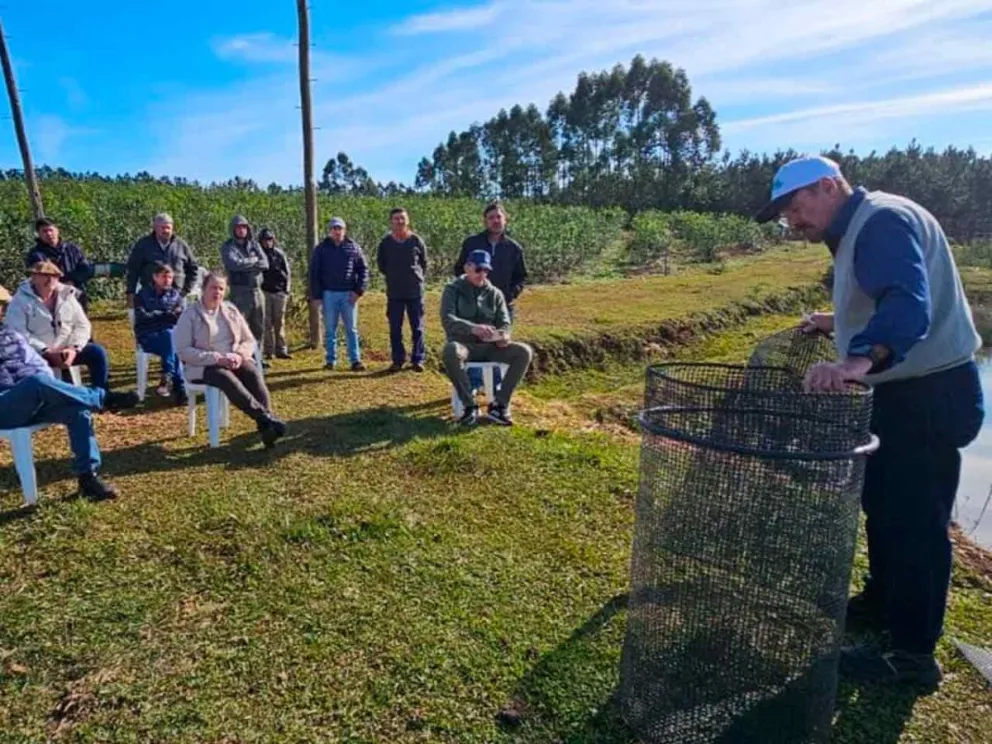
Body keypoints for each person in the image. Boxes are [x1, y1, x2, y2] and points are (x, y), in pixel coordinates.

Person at [755, 155, 984, 688]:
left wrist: (855, 362)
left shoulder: (880, 220)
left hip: (927, 395)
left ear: (828, 186)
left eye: (795, 206)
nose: (792, 220)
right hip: (903, 390)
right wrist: (835, 321)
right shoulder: (866, 221)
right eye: (784, 214)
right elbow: (888, 296)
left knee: (916, 524)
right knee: (883, 505)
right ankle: (883, 604)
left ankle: (912, 658)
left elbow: (907, 303)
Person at [0, 284, 121, 501]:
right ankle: (103, 397)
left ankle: (88, 478)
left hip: (30, 400)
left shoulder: (10, 335)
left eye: (1, 306)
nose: (0, 310)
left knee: (78, 410)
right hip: (4, 407)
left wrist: (48, 388)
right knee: (36, 382)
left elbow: (37, 364)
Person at [175, 271, 286, 449]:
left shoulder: (230, 310)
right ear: (204, 289)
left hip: (233, 359)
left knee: (252, 373)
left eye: (221, 288)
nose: (217, 292)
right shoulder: (190, 315)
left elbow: (249, 340)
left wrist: (239, 355)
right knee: (225, 377)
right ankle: (265, 419)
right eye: (213, 288)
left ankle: (267, 426)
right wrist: (217, 358)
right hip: (203, 366)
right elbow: (183, 351)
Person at [6, 262, 136, 407]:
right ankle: (98, 399)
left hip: (66, 351)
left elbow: (83, 325)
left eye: (54, 276)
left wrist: (74, 348)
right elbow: (17, 333)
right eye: (44, 276)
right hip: (36, 355)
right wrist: (45, 350)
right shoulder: (20, 300)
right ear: (33, 277)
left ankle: (102, 395)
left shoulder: (67, 295)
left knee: (97, 352)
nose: (49, 280)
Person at [441, 249, 533, 427]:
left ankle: (499, 405)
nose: (482, 274)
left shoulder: (495, 293)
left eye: (486, 270)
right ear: (467, 268)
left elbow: (504, 322)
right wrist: (472, 328)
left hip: (491, 348)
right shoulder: (452, 290)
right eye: (478, 269)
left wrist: (503, 335)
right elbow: (448, 319)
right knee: (450, 351)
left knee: (523, 352)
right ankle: (469, 406)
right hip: (464, 345)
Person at [309, 217, 368, 372]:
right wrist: (316, 296)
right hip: (329, 294)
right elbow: (314, 273)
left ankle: (355, 360)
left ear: (344, 230)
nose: (337, 231)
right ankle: (330, 360)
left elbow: (363, 270)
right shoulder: (321, 249)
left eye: (339, 228)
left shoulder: (353, 247)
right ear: (329, 231)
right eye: (334, 228)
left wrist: (358, 291)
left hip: (349, 294)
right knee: (330, 330)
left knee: (351, 329)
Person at [454, 201, 527, 320]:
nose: (495, 221)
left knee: (501, 332)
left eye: (499, 217)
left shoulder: (514, 248)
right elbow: (459, 269)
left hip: (502, 306)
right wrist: (468, 291)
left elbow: (521, 276)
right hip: (473, 306)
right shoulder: (471, 243)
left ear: (505, 220)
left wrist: (510, 294)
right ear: (485, 221)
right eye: (491, 218)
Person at [376, 207, 427, 373]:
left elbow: (424, 263)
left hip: (414, 291)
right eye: (396, 218)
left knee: (417, 327)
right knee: (395, 328)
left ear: (408, 220)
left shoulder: (416, 241)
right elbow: (382, 265)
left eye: (402, 218)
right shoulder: (385, 243)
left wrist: (416, 277)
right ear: (391, 222)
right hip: (395, 292)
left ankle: (418, 359)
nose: (399, 221)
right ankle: (398, 360)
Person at [134, 262, 187, 404]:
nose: (167, 280)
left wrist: (157, 314)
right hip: (148, 335)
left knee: (171, 338)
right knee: (171, 340)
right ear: (155, 277)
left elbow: (180, 317)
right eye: (164, 277)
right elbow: (142, 316)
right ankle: (179, 387)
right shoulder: (143, 294)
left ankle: (168, 378)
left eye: (170, 277)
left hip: (169, 336)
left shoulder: (176, 296)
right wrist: (166, 314)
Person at [125, 213, 199, 308]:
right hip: (149, 298)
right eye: (163, 228)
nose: (166, 231)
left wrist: (185, 290)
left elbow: (193, 269)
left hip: (177, 297)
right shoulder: (143, 245)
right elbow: (133, 270)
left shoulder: (181, 245)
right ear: (155, 228)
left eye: (168, 228)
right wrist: (130, 293)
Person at [24, 217, 93, 314]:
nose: (48, 233)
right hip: (52, 299)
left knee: (80, 322)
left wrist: (72, 280)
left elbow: (85, 269)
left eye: (50, 230)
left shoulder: (72, 249)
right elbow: (38, 278)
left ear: (57, 230)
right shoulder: (35, 254)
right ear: (39, 234)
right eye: (44, 231)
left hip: (76, 294)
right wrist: (61, 285)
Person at [220, 214, 269, 347]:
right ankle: (240, 355)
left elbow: (265, 264)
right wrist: (253, 261)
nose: (241, 230)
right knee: (239, 327)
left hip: (257, 292)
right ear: (233, 229)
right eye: (238, 227)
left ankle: (257, 356)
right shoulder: (228, 247)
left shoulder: (254, 245)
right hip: (239, 293)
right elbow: (234, 265)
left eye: (244, 227)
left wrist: (245, 263)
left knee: (258, 328)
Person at [259, 227, 292, 361]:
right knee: (266, 323)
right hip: (265, 292)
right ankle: (268, 351)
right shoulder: (258, 255)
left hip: (279, 292)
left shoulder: (279, 254)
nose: (268, 242)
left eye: (270, 239)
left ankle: (281, 349)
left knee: (280, 322)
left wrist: (286, 290)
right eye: (265, 240)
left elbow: (287, 272)